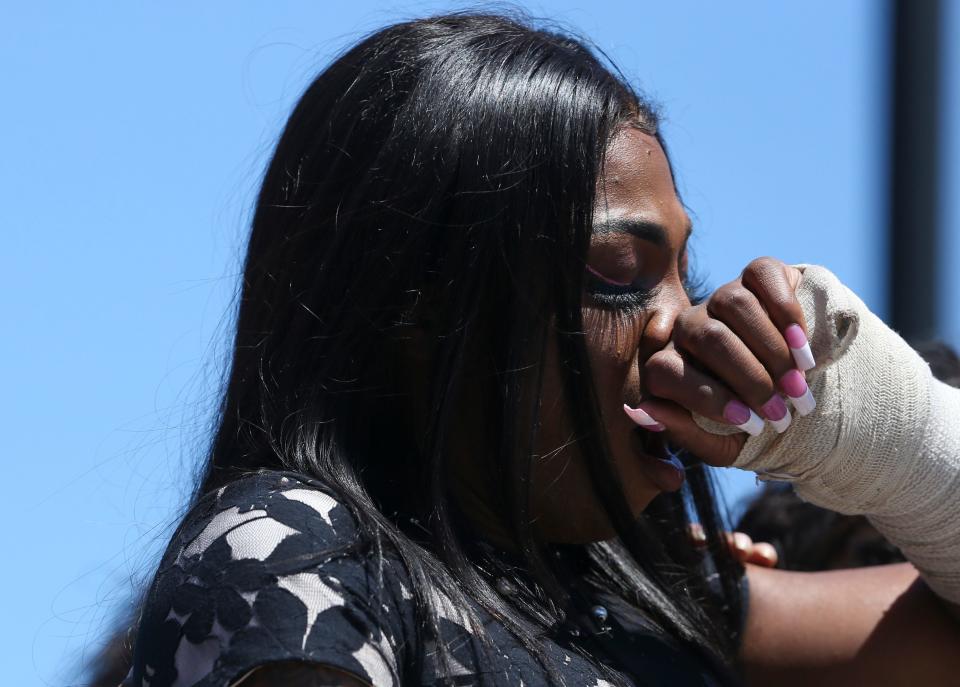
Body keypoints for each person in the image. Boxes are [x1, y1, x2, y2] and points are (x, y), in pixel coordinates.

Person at [118, 10, 960, 687]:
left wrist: (859, 418)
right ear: (421, 309)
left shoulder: (648, 602)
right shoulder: (291, 553)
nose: (684, 321)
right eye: (624, 274)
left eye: (684, 274)